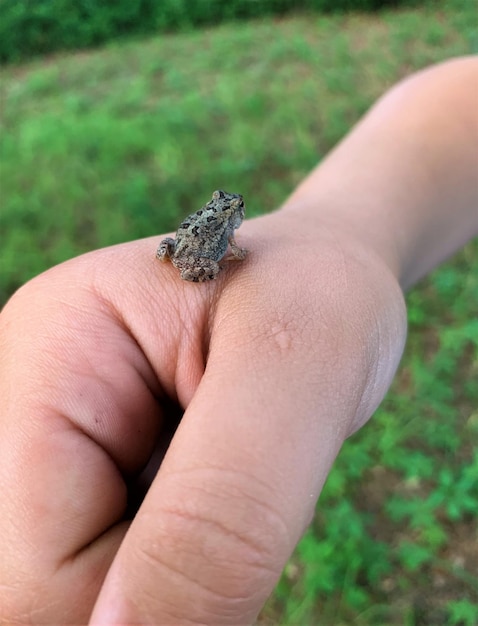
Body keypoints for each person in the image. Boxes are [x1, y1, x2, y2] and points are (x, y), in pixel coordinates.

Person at [0, 56, 477, 625]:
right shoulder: (226, 230)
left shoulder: (209, 220)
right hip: (197, 257)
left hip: (180, 245)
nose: (234, 213)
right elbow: (229, 249)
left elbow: (192, 237)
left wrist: (344, 235)